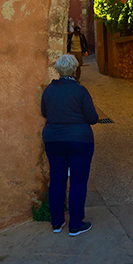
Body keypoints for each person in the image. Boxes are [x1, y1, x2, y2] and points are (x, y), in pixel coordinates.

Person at [41, 54, 99, 236]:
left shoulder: (49, 91)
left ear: (58, 70)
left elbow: (44, 112)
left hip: (53, 140)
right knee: (78, 181)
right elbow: (93, 118)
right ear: (75, 70)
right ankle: (75, 223)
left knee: (57, 179)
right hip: (79, 141)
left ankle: (57, 223)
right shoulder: (80, 91)